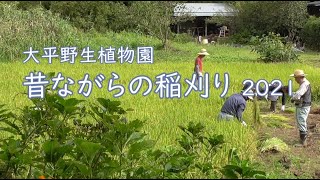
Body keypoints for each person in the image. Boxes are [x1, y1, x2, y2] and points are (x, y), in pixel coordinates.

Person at [290, 69, 312, 147]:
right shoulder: (305, 83)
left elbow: (298, 95)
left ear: (299, 77)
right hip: (303, 106)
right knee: (301, 121)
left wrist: (292, 97)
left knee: (301, 121)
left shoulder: (304, 84)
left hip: (303, 106)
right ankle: (303, 140)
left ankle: (303, 142)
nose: (295, 80)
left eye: (295, 78)